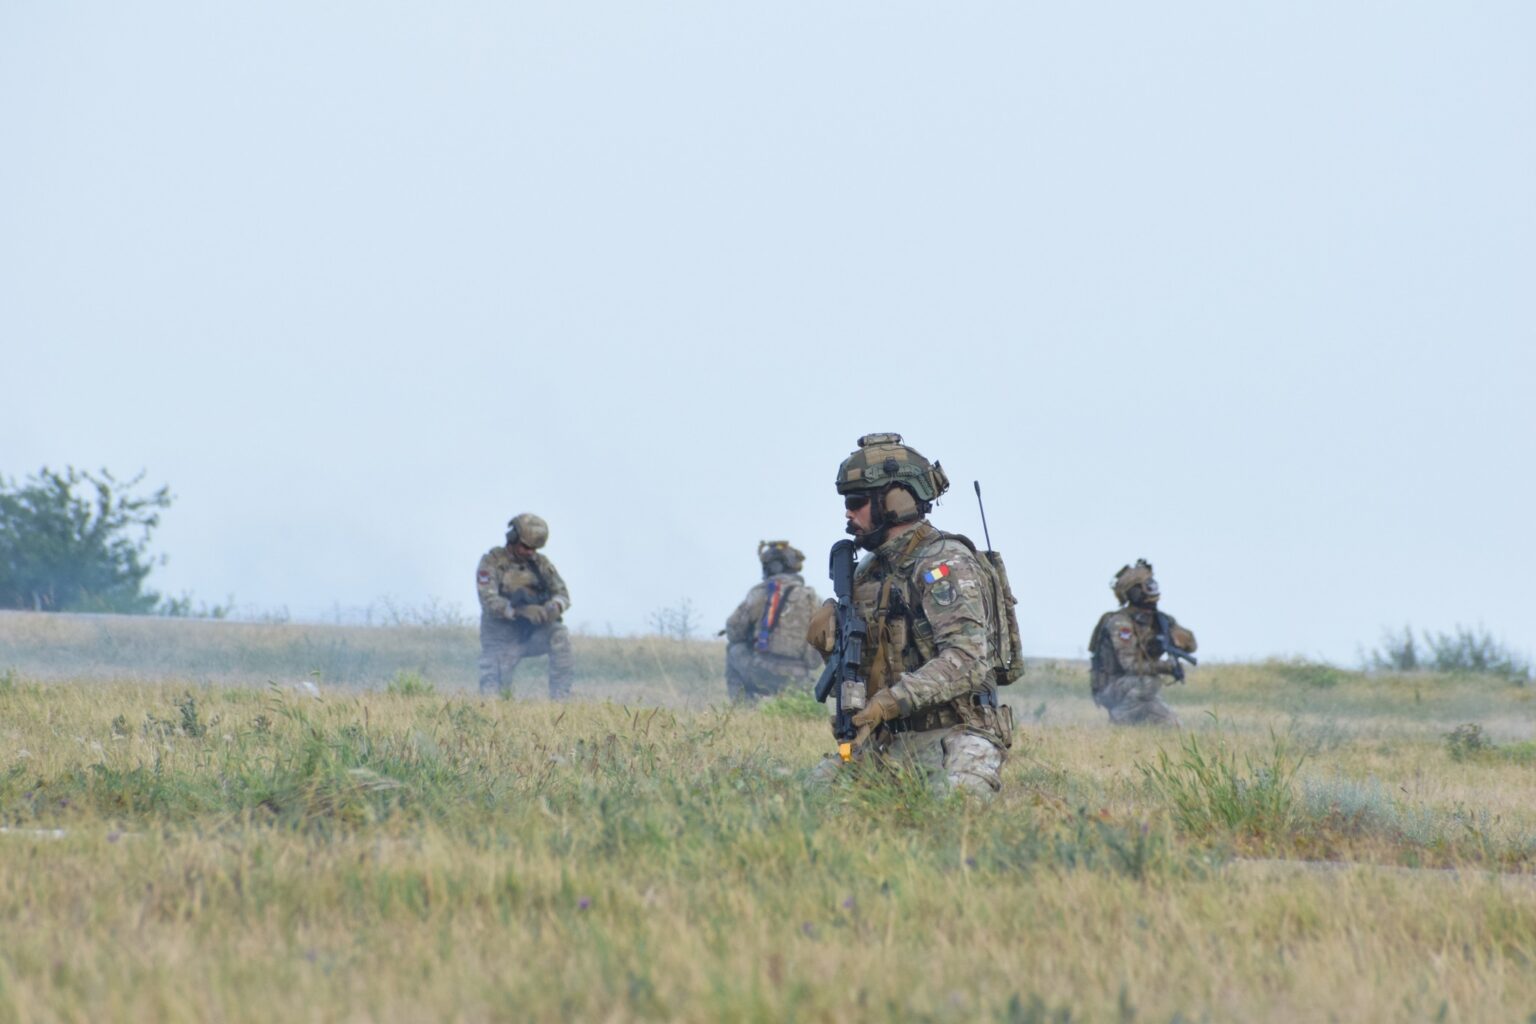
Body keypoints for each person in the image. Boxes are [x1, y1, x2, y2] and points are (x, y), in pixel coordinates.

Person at [807, 433, 1012, 798]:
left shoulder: (944, 563)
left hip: (955, 733)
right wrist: (829, 640)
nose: (848, 513)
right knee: (811, 802)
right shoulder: (869, 572)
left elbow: (967, 659)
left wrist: (888, 702)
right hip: (888, 740)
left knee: (949, 815)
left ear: (894, 501)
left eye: (856, 501)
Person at [476, 513, 574, 700]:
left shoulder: (541, 564)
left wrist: (551, 608)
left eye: (534, 548)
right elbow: (488, 600)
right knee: (493, 695)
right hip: (501, 637)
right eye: (526, 547)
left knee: (559, 634)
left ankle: (561, 701)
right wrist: (519, 611)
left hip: (533, 633)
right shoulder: (492, 562)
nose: (530, 552)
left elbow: (562, 594)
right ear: (512, 539)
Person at [1087, 559, 1197, 725]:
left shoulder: (1159, 621)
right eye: (1147, 586)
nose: (1152, 591)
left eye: (1153, 585)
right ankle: (1119, 722)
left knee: (1172, 725)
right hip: (1111, 686)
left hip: (1137, 690)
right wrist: (1166, 667)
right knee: (1148, 682)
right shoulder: (1121, 623)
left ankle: (1133, 726)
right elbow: (1129, 666)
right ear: (1135, 592)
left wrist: (1178, 638)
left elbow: (1192, 645)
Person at [722, 541, 824, 702]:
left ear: (773, 567)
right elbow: (818, 653)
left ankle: (742, 709)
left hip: (762, 671)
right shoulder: (813, 598)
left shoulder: (761, 592)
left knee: (734, 650)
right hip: (799, 678)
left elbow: (734, 631)